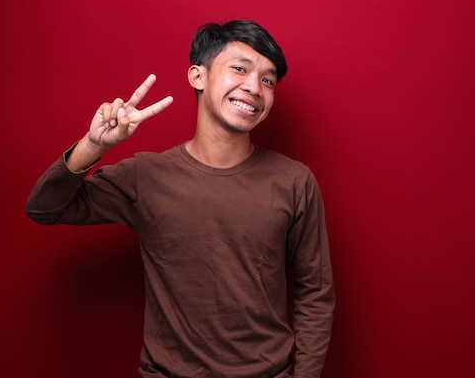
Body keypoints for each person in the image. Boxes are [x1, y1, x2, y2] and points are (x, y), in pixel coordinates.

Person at [26, 19, 335, 378]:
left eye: (267, 80)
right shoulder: (147, 175)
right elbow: (44, 208)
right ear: (197, 76)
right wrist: (93, 145)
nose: (254, 87)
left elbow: (316, 292)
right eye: (240, 69)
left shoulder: (295, 181)